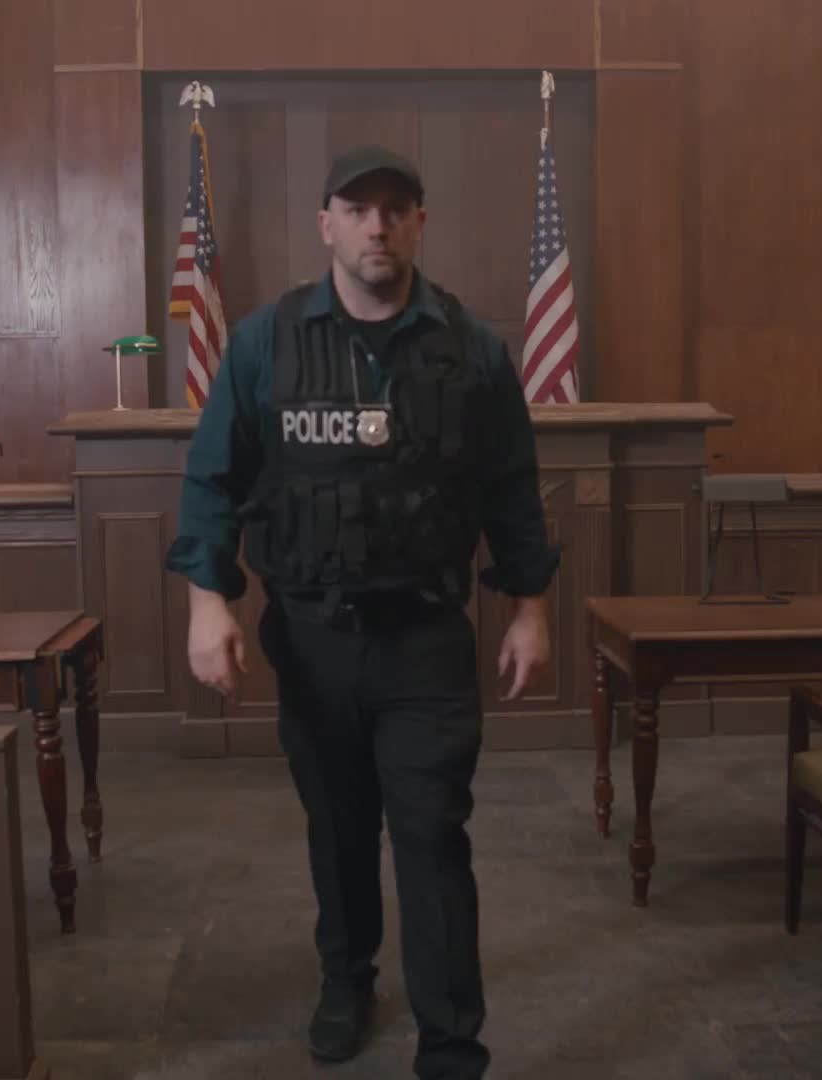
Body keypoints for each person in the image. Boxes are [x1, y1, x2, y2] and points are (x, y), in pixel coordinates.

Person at [163, 144, 560, 1079]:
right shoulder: (263, 343)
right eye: (356, 209)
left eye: (394, 209)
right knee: (338, 830)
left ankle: (451, 1045)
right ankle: (346, 982)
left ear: (419, 222)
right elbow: (212, 480)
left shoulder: (472, 349)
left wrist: (531, 608)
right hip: (311, 638)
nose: (376, 226)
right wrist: (207, 602)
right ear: (326, 225)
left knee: (432, 833)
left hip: (426, 638)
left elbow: (512, 490)